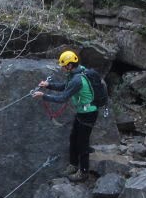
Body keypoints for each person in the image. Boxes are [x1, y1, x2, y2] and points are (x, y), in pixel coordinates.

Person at [31, 50, 98, 181]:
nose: (62, 68)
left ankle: (83, 172)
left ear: (70, 65)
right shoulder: (77, 72)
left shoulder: (77, 79)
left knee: (83, 143)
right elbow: (65, 87)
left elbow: (62, 98)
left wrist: (43, 96)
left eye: (63, 65)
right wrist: (48, 85)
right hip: (83, 112)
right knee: (73, 138)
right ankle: (73, 164)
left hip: (88, 113)